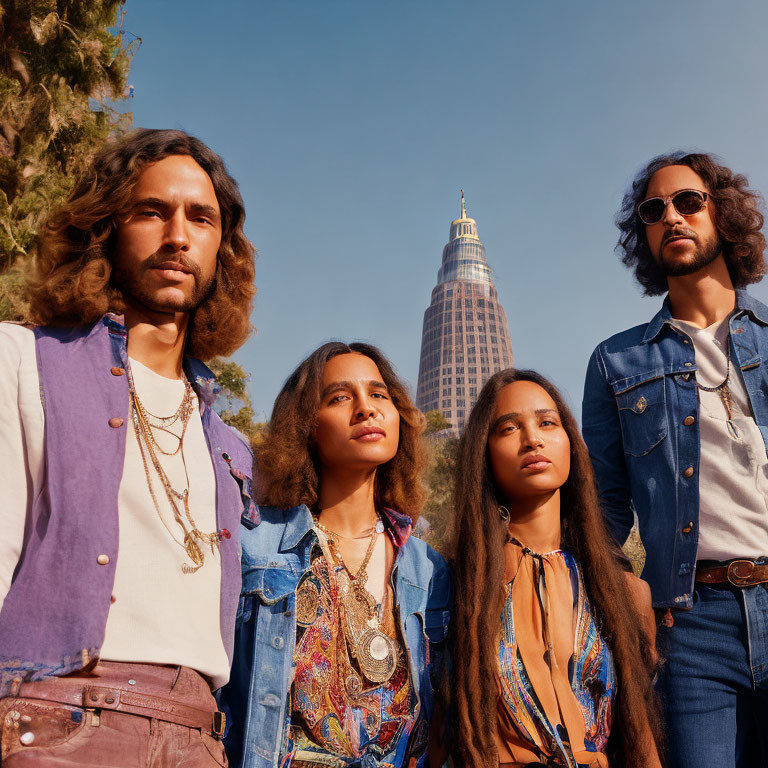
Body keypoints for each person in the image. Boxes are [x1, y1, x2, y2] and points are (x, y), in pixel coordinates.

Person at [0, 128, 257, 766]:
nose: (178, 236)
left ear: (220, 248)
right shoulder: (22, 361)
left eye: (201, 218)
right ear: (106, 229)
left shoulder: (229, 445)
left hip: (200, 733)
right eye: (151, 211)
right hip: (60, 719)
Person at [582, 151, 768, 768]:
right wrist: (623, 588)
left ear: (725, 213)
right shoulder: (617, 363)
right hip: (690, 627)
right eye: (653, 211)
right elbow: (603, 507)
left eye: (689, 202)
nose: (672, 218)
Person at [221, 342, 451, 768]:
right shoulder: (256, 545)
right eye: (340, 397)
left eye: (379, 395)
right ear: (306, 425)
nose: (366, 409)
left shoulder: (431, 571)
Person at [450, 369, 662, 768]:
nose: (533, 439)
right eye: (509, 428)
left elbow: (639, 733)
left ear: (570, 444)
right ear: (484, 453)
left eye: (547, 423)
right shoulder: (458, 589)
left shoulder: (622, 593)